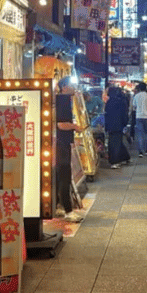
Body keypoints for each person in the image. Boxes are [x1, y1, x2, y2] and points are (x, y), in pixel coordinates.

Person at [56, 76, 85, 222]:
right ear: (65, 87)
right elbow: (61, 124)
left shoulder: (62, 99)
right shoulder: (62, 100)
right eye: (72, 85)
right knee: (64, 176)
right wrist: (75, 127)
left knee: (59, 176)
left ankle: (58, 206)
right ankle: (68, 211)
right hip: (60, 144)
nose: (74, 88)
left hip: (61, 143)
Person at [104, 85, 130, 168]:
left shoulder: (109, 102)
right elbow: (124, 115)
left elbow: (106, 115)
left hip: (111, 125)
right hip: (119, 125)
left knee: (113, 143)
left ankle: (115, 161)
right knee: (117, 142)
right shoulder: (121, 101)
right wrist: (124, 123)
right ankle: (124, 157)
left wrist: (106, 125)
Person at [131, 82, 147, 157]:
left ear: (139, 88)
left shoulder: (136, 96)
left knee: (140, 134)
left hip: (139, 116)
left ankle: (141, 152)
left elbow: (134, 107)